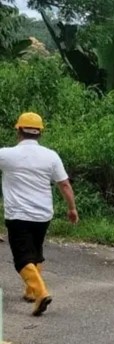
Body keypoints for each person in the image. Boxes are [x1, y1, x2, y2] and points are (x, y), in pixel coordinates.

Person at [0, 112, 78, 316]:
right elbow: (65, 185)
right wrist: (72, 209)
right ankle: (30, 292)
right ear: (40, 133)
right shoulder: (51, 156)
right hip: (43, 215)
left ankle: (41, 292)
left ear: (18, 131)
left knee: (22, 257)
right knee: (35, 250)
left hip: (18, 215)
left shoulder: (6, 155)